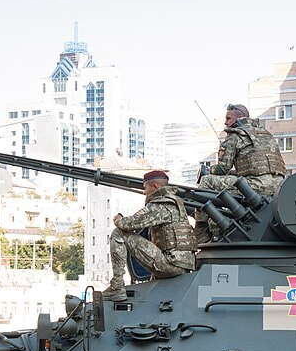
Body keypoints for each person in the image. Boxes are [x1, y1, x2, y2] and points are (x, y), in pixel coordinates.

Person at [194, 103, 286, 243]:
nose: (226, 122)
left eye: (228, 118)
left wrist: (208, 171)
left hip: (255, 186)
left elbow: (222, 169)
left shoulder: (235, 135)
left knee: (207, 182)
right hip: (279, 187)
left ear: (240, 117)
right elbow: (257, 168)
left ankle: (201, 230)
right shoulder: (266, 134)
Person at [104, 170, 197, 302]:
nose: (144, 192)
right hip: (181, 264)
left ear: (156, 187)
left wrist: (118, 219)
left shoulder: (160, 205)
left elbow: (127, 224)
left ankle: (117, 286)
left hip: (171, 264)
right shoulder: (176, 203)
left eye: (145, 188)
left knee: (119, 233)